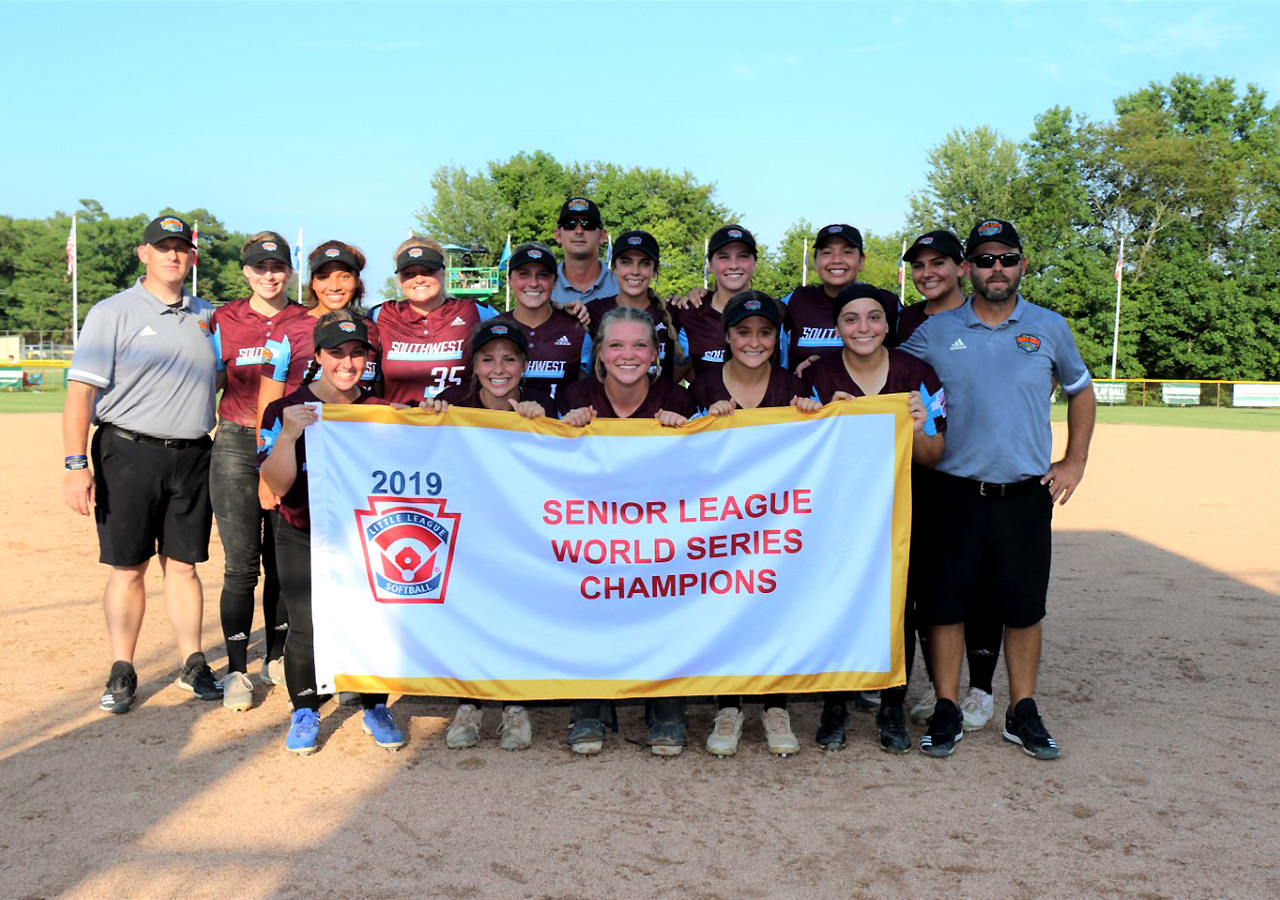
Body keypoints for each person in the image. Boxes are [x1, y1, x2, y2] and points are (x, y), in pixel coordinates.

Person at [899, 218, 1095, 760]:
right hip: (953, 492)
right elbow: (882, 370)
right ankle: (945, 706)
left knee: (1024, 608)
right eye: (984, 260)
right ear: (969, 269)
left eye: (1006, 258)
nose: (996, 268)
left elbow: (1081, 391)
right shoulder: (935, 331)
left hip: (1025, 494)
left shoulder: (1049, 327)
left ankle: (1022, 710)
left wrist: (1074, 461)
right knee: (943, 606)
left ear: (1022, 264)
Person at [63, 214, 222, 714]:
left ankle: (192, 662)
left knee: (184, 566)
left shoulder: (207, 316)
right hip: (127, 452)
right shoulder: (113, 312)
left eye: (181, 248)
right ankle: (123, 667)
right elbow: (80, 393)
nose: (173, 255)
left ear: (191, 257)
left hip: (194, 454)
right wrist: (73, 464)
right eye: (163, 247)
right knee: (129, 568)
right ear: (143, 254)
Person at [804, 283, 947, 752]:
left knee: (898, 611)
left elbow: (932, 455)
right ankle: (835, 705)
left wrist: (920, 420)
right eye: (850, 318)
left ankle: (891, 708)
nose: (862, 327)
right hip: (836, 514)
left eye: (872, 318)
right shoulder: (817, 375)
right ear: (837, 326)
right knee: (834, 605)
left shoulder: (916, 371)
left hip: (902, 508)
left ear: (888, 324)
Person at [258, 311, 406, 754]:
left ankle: (373, 704)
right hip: (302, 531)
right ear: (318, 355)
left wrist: (426, 420)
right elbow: (277, 486)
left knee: (373, 617)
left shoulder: (379, 410)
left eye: (357, 353)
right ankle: (304, 709)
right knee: (305, 625)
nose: (347, 362)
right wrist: (287, 437)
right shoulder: (285, 409)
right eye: (336, 353)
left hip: (365, 535)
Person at [560, 306, 697, 756]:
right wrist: (561, 430)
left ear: (656, 354)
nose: (628, 354)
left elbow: (704, 470)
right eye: (616, 345)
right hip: (591, 535)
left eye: (639, 345)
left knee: (666, 600)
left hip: (660, 535)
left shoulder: (676, 398)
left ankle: (665, 704)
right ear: (599, 353)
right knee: (587, 601)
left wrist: (687, 431)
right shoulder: (574, 395)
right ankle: (591, 704)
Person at [691, 290, 821, 758]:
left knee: (772, 606)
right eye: (743, 332)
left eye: (765, 332)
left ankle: (774, 704)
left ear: (777, 337)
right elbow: (682, 456)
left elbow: (823, 445)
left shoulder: (791, 386)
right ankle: (728, 706)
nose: (754, 341)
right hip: (719, 523)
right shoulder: (705, 385)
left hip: (775, 521)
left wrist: (814, 415)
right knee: (724, 605)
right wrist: (706, 420)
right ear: (727, 336)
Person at [896, 229, 1002, 732]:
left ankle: (980, 689)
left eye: (939, 263)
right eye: (919, 266)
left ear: (962, 268)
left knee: (981, 585)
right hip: (924, 470)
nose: (928, 273)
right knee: (929, 586)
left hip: (976, 469)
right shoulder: (910, 325)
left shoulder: (987, 315)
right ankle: (939, 691)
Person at [434, 320, 555, 751]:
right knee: (471, 616)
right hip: (468, 536)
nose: (498, 368)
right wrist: (425, 420)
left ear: (525, 364)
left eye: (509, 358)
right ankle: (469, 703)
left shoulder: (541, 404)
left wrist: (546, 425)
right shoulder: (451, 403)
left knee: (518, 615)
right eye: (487, 359)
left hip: (525, 536)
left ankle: (515, 704)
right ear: (474, 365)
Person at [208, 232, 304, 710]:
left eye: (278, 266)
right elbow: (210, 378)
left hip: (287, 444)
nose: (269, 274)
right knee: (241, 564)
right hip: (236, 443)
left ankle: (278, 657)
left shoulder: (306, 320)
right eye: (259, 266)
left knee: (281, 560)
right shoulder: (223, 318)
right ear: (245, 271)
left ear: (289, 270)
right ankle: (235, 670)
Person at [368, 236, 498, 404]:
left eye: (428, 271)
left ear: (443, 274)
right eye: (409, 273)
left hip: (457, 426)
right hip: (401, 426)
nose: (419, 279)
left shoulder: (475, 312)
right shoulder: (380, 316)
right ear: (400, 280)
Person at [780, 224, 896, 373]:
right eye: (827, 252)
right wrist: (793, 379)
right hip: (807, 395)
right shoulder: (796, 301)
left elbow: (905, 359)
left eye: (847, 252)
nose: (836, 260)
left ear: (861, 261)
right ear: (815, 261)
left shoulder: (886, 302)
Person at [586, 229, 686, 382]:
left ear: (654, 270)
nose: (635, 271)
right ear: (614, 269)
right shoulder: (592, 312)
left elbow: (687, 370)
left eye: (644, 263)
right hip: (604, 405)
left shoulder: (673, 312)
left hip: (661, 404)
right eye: (626, 262)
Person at [492, 242, 586, 400]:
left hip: (559, 424)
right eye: (524, 274)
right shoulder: (493, 328)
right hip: (505, 424)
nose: (534, 283)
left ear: (554, 282)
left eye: (542, 275)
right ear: (509, 280)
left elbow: (589, 390)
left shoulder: (577, 329)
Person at [675, 224, 759, 378]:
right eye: (724, 257)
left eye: (743, 256)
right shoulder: (691, 313)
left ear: (754, 263)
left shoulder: (776, 311)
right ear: (710, 265)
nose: (733, 265)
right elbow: (673, 377)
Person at [550, 197, 618, 305]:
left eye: (588, 224)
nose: (579, 231)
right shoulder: (544, 287)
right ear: (558, 235)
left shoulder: (622, 286)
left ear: (602, 236)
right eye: (570, 224)